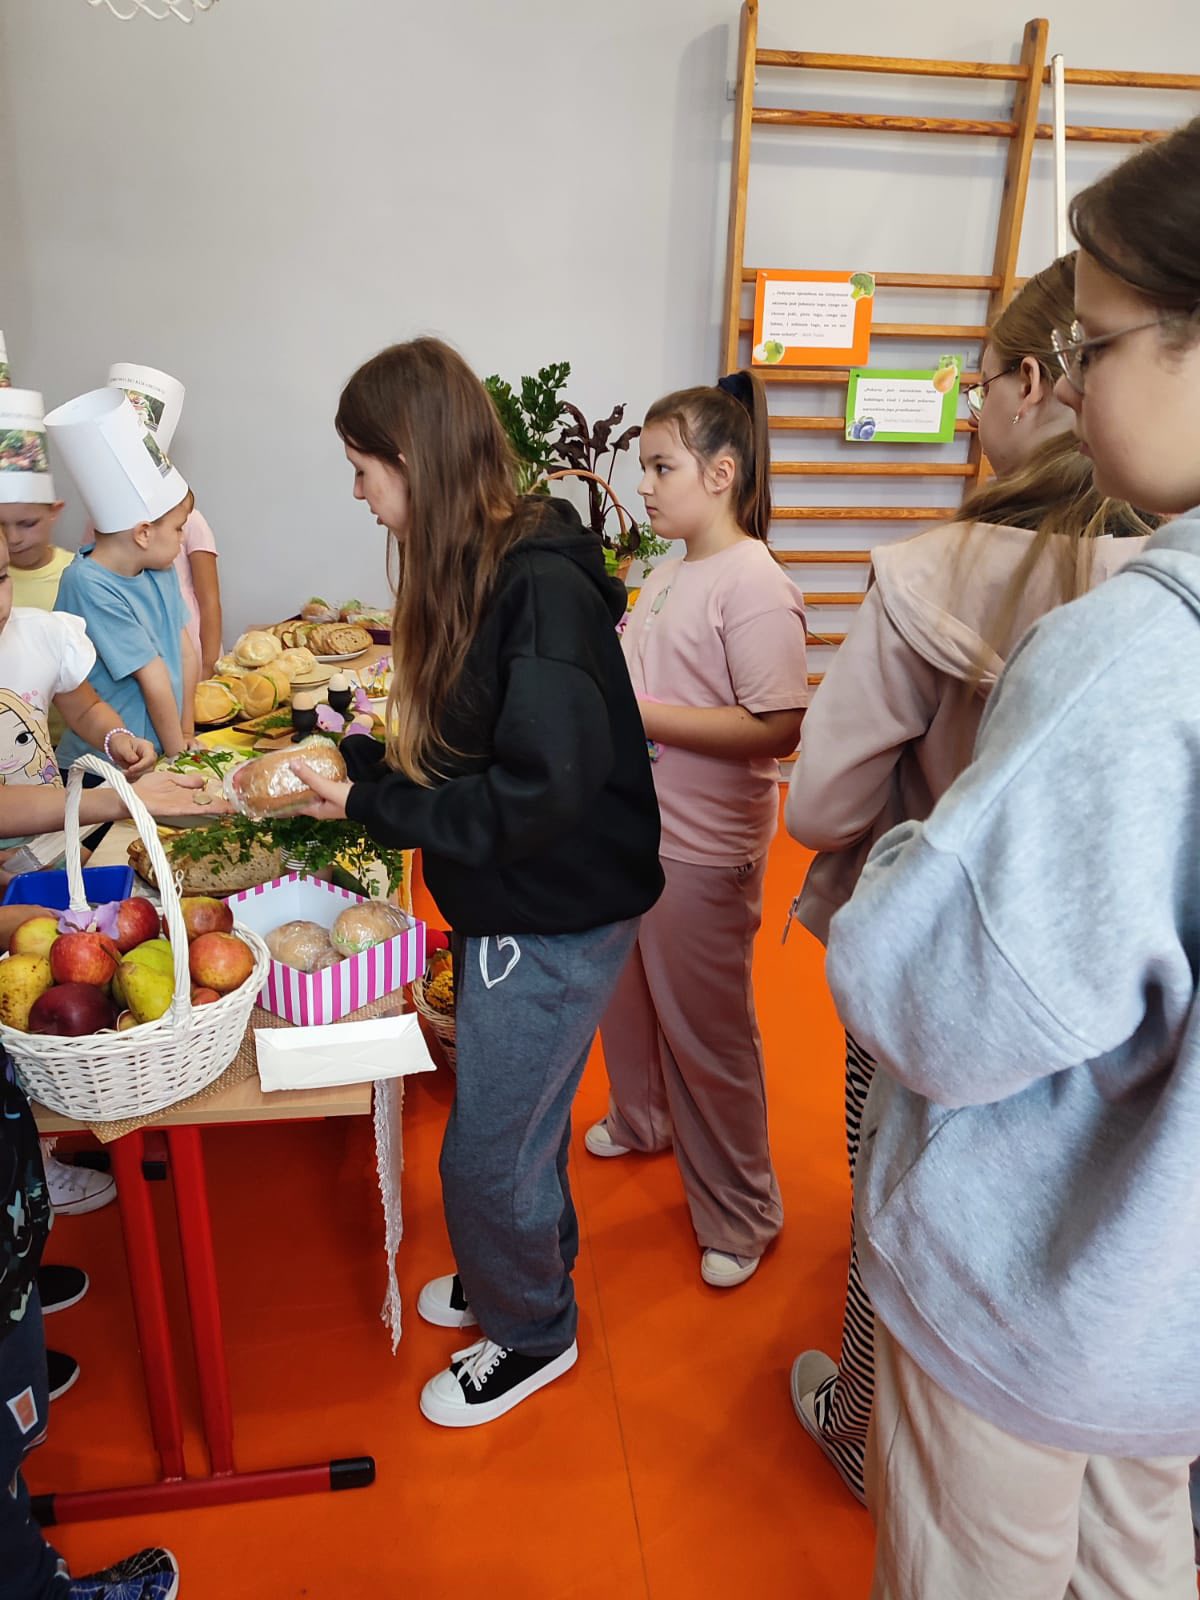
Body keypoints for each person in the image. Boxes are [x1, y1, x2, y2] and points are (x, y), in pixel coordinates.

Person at [825, 115, 1200, 1597]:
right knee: (1140, 1554)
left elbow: (930, 998)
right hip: (1167, 1304)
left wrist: (917, 859)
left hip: (1039, 1287)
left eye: (1095, 344)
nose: (1072, 382)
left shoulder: (1128, 657)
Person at [781, 254, 1152, 1506]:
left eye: (981, 379)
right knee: (1092, 1235)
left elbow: (820, 806)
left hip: (944, 979)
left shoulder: (935, 569)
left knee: (900, 1206)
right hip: (1121, 1005)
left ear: (1036, 380)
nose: (974, 402)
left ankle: (861, 1430)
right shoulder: (1168, 583)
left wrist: (912, 826)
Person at [294, 337, 663, 1427]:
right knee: (524, 1125)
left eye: (364, 469)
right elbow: (476, 749)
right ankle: (520, 1271)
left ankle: (532, 1331)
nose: (359, 495)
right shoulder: (490, 565)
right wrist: (364, 769)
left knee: (487, 1150)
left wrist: (372, 806)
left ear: (413, 457)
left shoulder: (536, 587)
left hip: (551, 911)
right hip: (529, 900)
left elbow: (534, 793)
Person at [587, 372, 807, 1288]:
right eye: (643, 467)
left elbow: (778, 725)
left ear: (721, 473)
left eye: (661, 467)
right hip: (639, 829)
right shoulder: (668, 571)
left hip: (705, 846)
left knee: (708, 1034)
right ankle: (644, 1120)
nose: (642, 485)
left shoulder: (753, 582)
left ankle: (744, 1210)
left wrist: (639, 717)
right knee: (629, 996)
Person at [44, 390, 198, 765]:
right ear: (143, 533)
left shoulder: (159, 568)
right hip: (107, 764)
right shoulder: (87, 584)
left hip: (161, 751)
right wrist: (178, 755)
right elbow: (153, 674)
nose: (182, 539)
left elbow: (186, 654)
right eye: (178, 528)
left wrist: (186, 734)